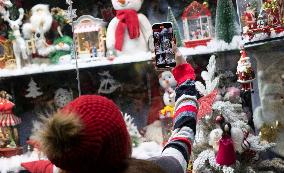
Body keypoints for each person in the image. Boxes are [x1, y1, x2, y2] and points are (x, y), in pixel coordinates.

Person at [21, 42, 199, 173]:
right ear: (123, 143)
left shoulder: (66, 162)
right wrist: (183, 73)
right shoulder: (162, 168)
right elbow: (184, 130)